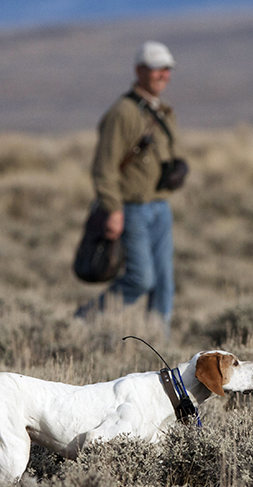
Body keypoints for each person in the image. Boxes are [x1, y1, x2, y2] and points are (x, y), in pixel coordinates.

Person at [77, 40, 182, 331]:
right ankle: (84, 323)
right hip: (131, 208)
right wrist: (113, 209)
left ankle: (158, 342)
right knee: (140, 278)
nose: (163, 75)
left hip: (159, 206)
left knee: (163, 283)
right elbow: (104, 166)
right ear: (139, 71)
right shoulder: (123, 113)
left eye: (166, 69)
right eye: (156, 69)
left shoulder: (162, 111)